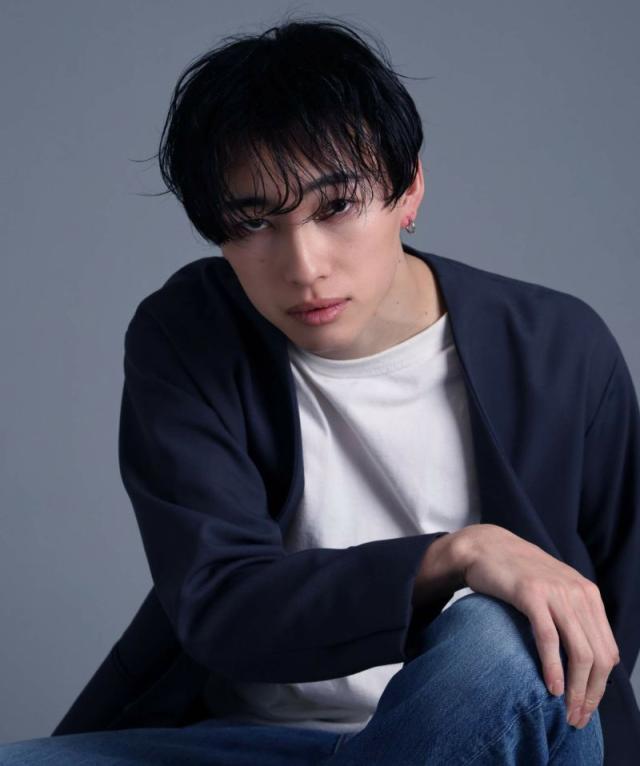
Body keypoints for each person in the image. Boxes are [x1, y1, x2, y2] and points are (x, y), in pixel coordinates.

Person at [2, 14, 638, 765]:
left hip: (479, 733)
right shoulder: (187, 333)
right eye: (253, 223)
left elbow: (608, 612)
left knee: (501, 637)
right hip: (244, 743)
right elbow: (221, 602)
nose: (304, 267)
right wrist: (457, 554)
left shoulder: (558, 346)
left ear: (408, 188)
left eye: (335, 207)